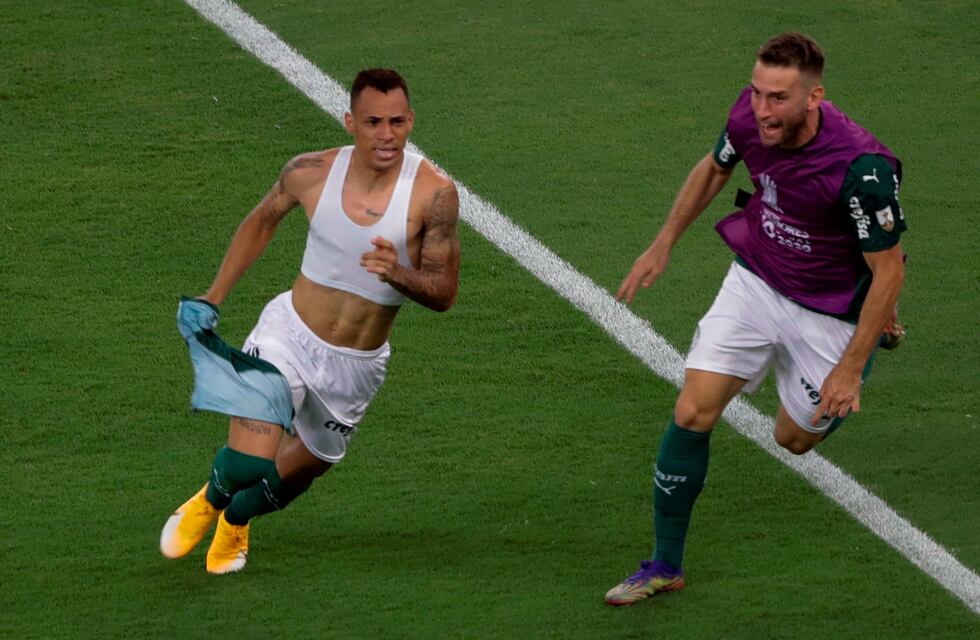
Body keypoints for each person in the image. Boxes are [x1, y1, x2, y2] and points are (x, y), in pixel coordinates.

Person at [605, 33, 907, 605]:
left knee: (792, 439)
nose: (762, 109)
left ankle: (873, 338)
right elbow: (715, 168)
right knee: (692, 409)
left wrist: (850, 366)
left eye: (777, 99)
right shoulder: (749, 117)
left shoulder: (862, 171)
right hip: (760, 279)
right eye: (757, 92)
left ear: (814, 96)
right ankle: (666, 563)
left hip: (832, 308)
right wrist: (663, 242)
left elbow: (889, 269)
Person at [160, 68, 461, 574]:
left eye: (396, 122)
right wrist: (213, 295)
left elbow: (444, 293)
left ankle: (236, 519)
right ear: (350, 122)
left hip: (357, 364)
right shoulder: (310, 172)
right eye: (372, 122)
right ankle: (211, 498)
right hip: (289, 334)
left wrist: (398, 274)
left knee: (306, 467)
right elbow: (262, 220)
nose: (386, 135)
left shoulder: (434, 194)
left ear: (410, 122)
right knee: (250, 460)